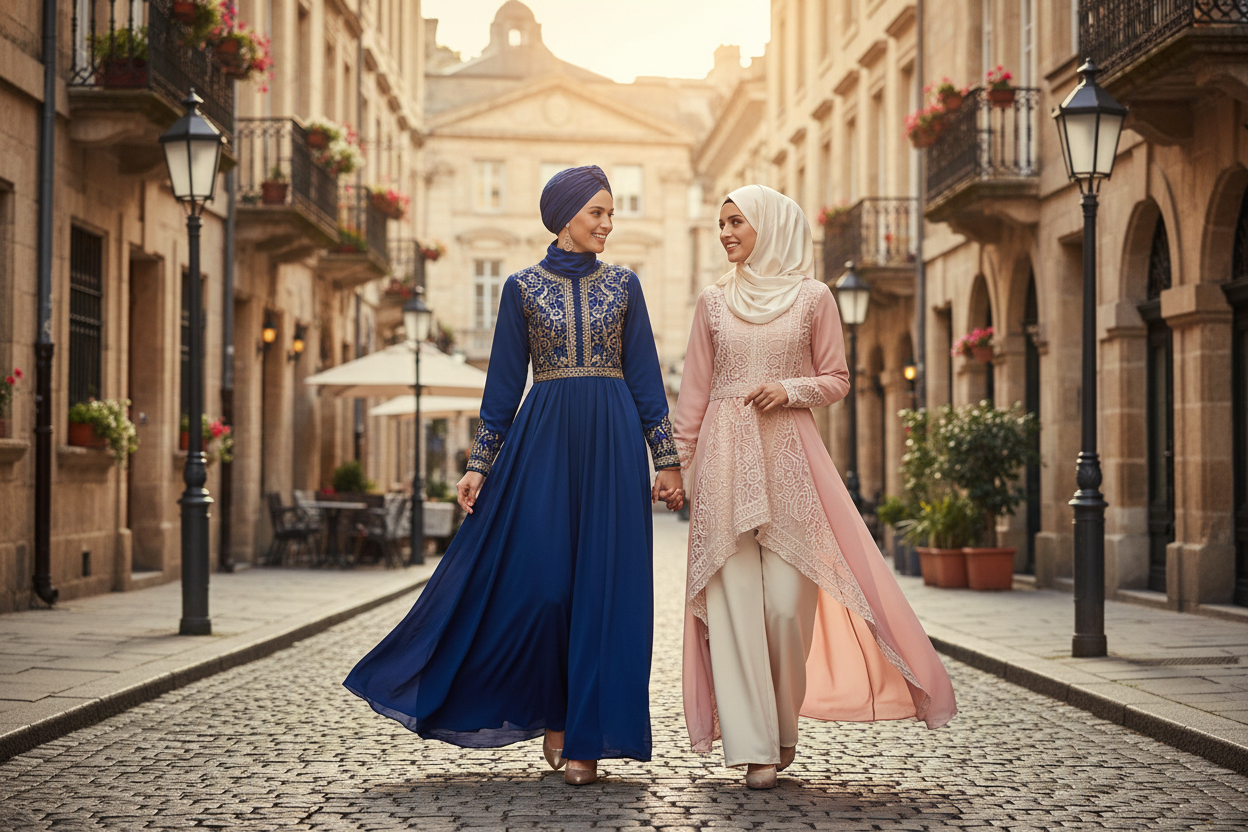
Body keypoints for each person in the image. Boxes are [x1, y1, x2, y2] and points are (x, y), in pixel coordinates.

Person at [344, 166, 685, 786]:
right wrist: (479, 465)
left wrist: (666, 459)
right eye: (597, 214)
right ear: (564, 218)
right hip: (545, 442)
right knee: (546, 588)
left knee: (606, 591)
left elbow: (645, 376)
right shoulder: (522, 288)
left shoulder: (626, 286)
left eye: (611, 214)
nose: (608, 224)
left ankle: (587, 738)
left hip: (612, 441)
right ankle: (551, 710)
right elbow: (503, 385)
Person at [672, 185, 957, 790]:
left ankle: (780, 729)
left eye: (736, 223)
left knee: (782, 608)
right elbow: (694, 393)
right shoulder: (712, 302)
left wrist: (790, 389)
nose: (725, 234)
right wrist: (674, 465)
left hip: (791, 463)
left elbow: (836, 377)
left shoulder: (813, 297)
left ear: (769, 226)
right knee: (732, 607)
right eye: (721, 224)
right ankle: (754, 750)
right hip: (723, 461)